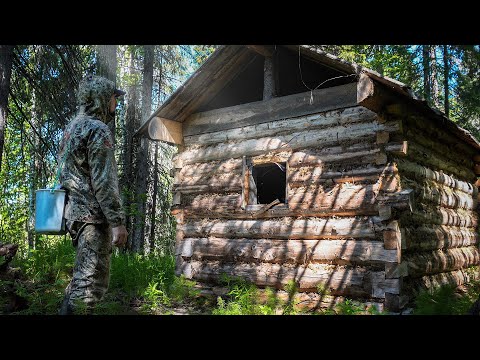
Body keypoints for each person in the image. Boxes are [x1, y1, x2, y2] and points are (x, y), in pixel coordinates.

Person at [58, 74, 128, 315]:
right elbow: (103, 181)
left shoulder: (71, 128)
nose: (115, 104)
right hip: (92, 218)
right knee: (89, 288)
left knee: (80, 280)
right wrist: (117, 222)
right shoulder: (98, 130)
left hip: (73, 216)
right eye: (113, 98)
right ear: (100, 99)